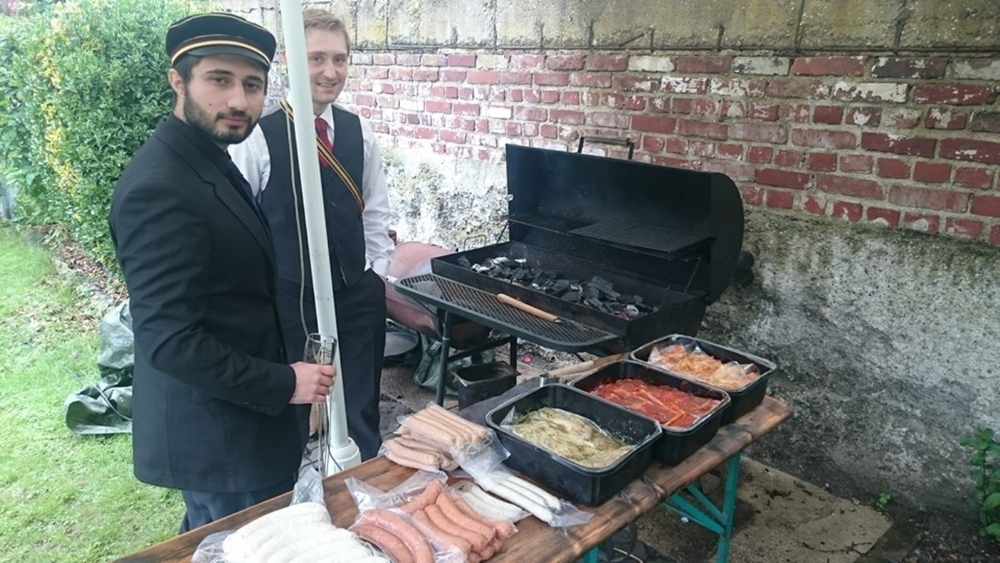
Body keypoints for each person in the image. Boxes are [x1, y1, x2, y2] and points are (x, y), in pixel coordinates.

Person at [108, 12, 336, 533]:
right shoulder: (160, 188)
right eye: (219, 80)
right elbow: (169, 341)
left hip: (241, 428)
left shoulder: (207, 157)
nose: (238, 100)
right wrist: (285, 382)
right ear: (178, 80)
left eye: (252, 85)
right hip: (222, 440)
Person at [230, 9, 394, 461]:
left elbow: (376, 210)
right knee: (293, 410)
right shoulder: (257, 138)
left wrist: (376, 274)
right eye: (316, 58)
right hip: (288, 299)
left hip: (356, 292)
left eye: (339, 59)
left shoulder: (359, 132)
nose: (330, 71)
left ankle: (361, 481)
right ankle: (297, 484)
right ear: (290, 60)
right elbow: (241, 229)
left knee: (361, 407)